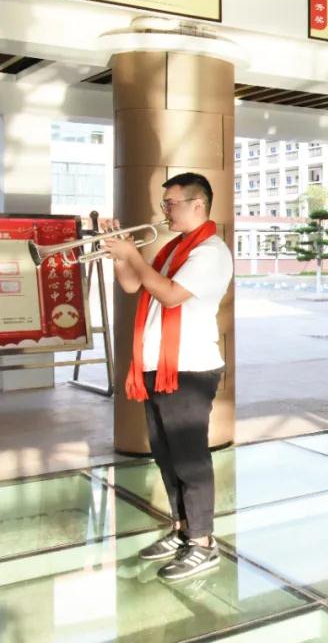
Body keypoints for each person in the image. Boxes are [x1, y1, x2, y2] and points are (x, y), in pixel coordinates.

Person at [103, 172, 232, 581]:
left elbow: (170, 295)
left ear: (198, 204)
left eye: (171, 203)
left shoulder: (210, 252)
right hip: (158, 367)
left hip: (189, 369)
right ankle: (182, 531)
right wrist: (120, 253)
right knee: (166, 455)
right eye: (164, 204)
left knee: (190, 460)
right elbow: (132, 285)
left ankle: (204, 543)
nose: (165, 211)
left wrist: (134, 254)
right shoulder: (174, 249)